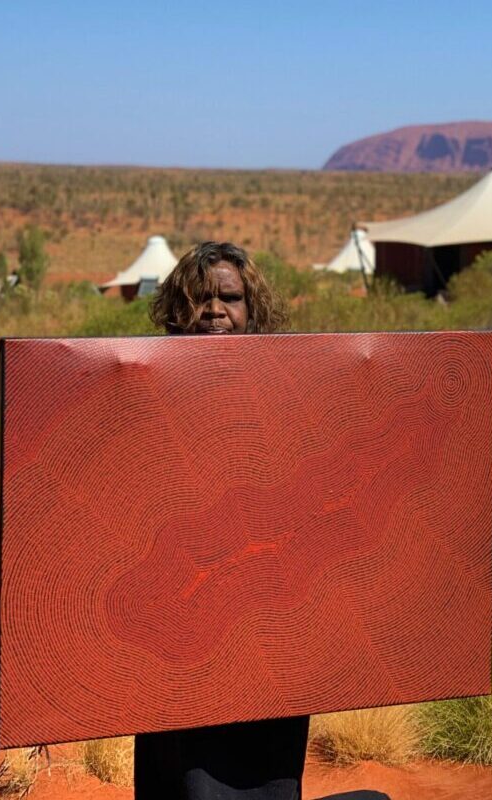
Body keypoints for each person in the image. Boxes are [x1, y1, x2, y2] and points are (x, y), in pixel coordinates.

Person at [136, 242, 386, 800]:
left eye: (231, 297)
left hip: (269, 610)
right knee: (188, 775)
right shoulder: (146, 383)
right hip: (183, 613)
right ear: (179, 309)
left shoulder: (287, 387)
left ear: (253, 308)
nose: (216, 310)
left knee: (266, 771)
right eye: (201, 298)